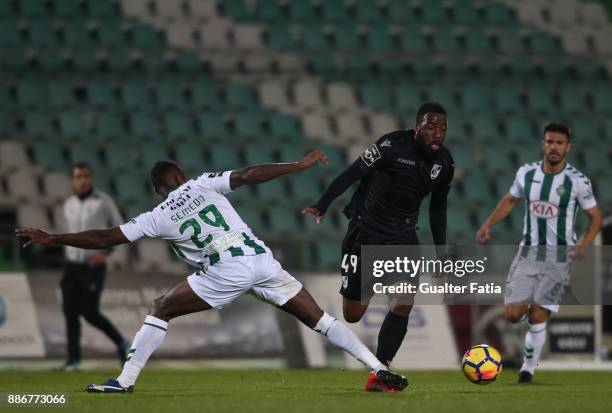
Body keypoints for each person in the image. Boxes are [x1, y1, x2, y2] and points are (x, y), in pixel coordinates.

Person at [16, 151, 407, 393]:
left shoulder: (158, 215)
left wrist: (52, 237)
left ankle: (124, 381)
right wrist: (298, 165)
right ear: (181, 177)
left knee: (159, 308)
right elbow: (250, 174)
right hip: (261, 259)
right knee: (320, 319)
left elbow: (105, 237)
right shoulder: (204, 183)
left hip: (225, 269)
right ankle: (377, 367)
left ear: (159, 190)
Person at [303, 102, 454, 391]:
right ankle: (369, 286)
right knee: (353, 313)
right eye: (432, 126)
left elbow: (438, 208)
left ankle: (380, 372)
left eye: (443, 128)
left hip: (403, 236)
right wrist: (322, 204)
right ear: (417, 126)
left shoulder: (444, 164)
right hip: (365, 231)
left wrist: (440, 252)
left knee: (403, 301)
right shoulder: (391, 146)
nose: (438, 133)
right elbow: (353, 172)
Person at [476, 122, 602, 383]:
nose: (554, 147)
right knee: (512, 315)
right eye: (549, 141)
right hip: (528, 254)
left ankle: (527, 370)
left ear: (568, 147)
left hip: (559, 259)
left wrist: (584, 243)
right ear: (542, 144)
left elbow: (595, 218)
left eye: (559, 143)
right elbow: (510, 199)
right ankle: (529, 344)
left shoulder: (577, 181)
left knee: (537, 315)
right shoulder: (526, 173)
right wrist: (488, 223)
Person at [60, 162, 128, 371]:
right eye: (79, 177)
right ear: (73, 180)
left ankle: (121, 342)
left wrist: (105, 253)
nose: (83, 180)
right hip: (72, 266)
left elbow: (122, 229)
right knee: (70, 313)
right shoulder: (68, 204)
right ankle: (74, 360)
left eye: (86, 176)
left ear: (91, 178)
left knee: (90, 313)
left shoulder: (103, 201)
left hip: (93, 266)